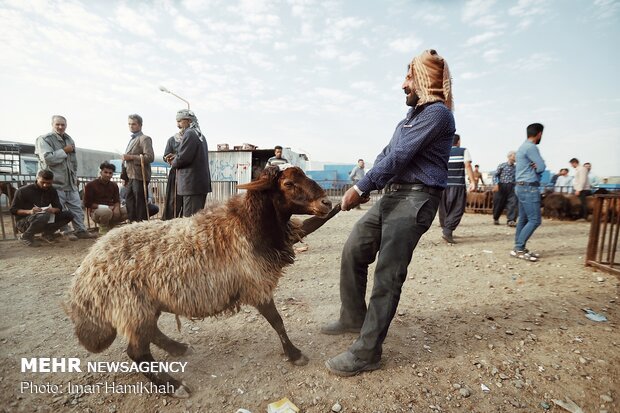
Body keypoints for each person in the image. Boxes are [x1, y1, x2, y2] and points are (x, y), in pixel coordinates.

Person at [321, 49, 455, 377]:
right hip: (394, 195)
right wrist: (369, 184)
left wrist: (361, 188)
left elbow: (400, 158)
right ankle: (353, 316)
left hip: (417, 198)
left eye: (409, 77)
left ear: (425, 80)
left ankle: (368, 352)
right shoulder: (406, 121)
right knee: (354, 249)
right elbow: (386, 156)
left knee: (388, 274)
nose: (403, 84)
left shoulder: (437, 114)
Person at [35, 115, 95, 240]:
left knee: (77, 208)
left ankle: (81, 230)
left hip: (70, 182)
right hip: (55, 183)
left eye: (63, 124)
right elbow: (47, 159)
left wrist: (75, 176)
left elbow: (73, 162)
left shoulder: (69, 139)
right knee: (59, 209)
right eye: (57, 124)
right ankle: (66, 232)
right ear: (52, 124)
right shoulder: (44, 139)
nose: (60, 127)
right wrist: (64, 151)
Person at [10, 170, 73, 247]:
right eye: (42, 182)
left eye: (48, 183)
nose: (45, 185)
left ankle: (47, 234)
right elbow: (13, 210)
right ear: (37, 179)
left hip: (43, 218)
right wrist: (30, 211)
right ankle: (26, 236)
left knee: (69, 214)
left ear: (52, 181)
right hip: (24, 222)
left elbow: (58, 208)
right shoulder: (22, 191)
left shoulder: (52, 190)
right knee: (44, 216)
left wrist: (53, 210)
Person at [512, 123, 546, 262]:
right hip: (529, 187)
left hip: (521, 186)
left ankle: (519, 248)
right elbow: (542, 167)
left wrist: (534, 165)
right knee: (535, 220)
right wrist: (536, 166)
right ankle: (519, 248)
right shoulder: (532, 147)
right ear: (539, 134)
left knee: (524, 219)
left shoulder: (522, 146)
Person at [171, 109, 212, 217]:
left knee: (190, 221)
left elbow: (183, 159)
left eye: (179, 121)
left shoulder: (190, 134)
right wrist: (177, 157)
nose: (177, 125)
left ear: (188, 121)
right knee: (196, 219)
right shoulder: (200, 135)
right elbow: (193, 156)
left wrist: (173, 161)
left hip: (191, 185)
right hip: (198, 185)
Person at [438, 134, 475, 244]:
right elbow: (467, 166)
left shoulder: (442, 151)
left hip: (442, 185)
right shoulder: (463, 151)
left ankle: (446, 229)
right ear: (458, 142)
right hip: (457, 185)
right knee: (457, 208)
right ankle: (448, 231)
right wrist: (472, 181)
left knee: (444, 208)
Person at [123, 114, 154, 222]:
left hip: (140, 176)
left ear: (140, 125)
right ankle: (132, 224)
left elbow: (150, 157)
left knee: (139, 202)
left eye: (134, 124)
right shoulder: (132, 139)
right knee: (129, 201)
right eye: (129, 124)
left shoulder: (144, 139)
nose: (131, 126)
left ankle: (141, 225)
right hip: (130, 175)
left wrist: (130, 157)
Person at [83, 162, 127, 234]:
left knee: (128, 210)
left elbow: (116, 200)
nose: (108, 175)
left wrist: (116, 208)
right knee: (106, 212)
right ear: (101, 172)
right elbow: (87, 203)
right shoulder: (90, 185)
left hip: (111, 209)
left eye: (110, 173)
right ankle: (103, 230)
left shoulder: (114, 185)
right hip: (95, 211)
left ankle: (111, 227)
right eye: (105, 172)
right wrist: (106, 207)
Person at [492, 151, 517, 226]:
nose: (515, 157)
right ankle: (496, 218)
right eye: (514, 156)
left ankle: (511, 220)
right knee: (499, 203)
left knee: (512, 203)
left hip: (512, 186)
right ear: (509, 157)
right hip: (501, 186)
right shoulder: (502, 166)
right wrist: (496, 184)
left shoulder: (516, 168)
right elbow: (495, 175)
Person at [162, 132, 183, 220]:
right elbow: (165, 156)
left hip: (188, 174)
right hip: (175, 173)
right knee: (172, 201)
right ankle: (169, 221)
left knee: (186, 203)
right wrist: (169, 158)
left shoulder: (192, 139)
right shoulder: (172, 140)